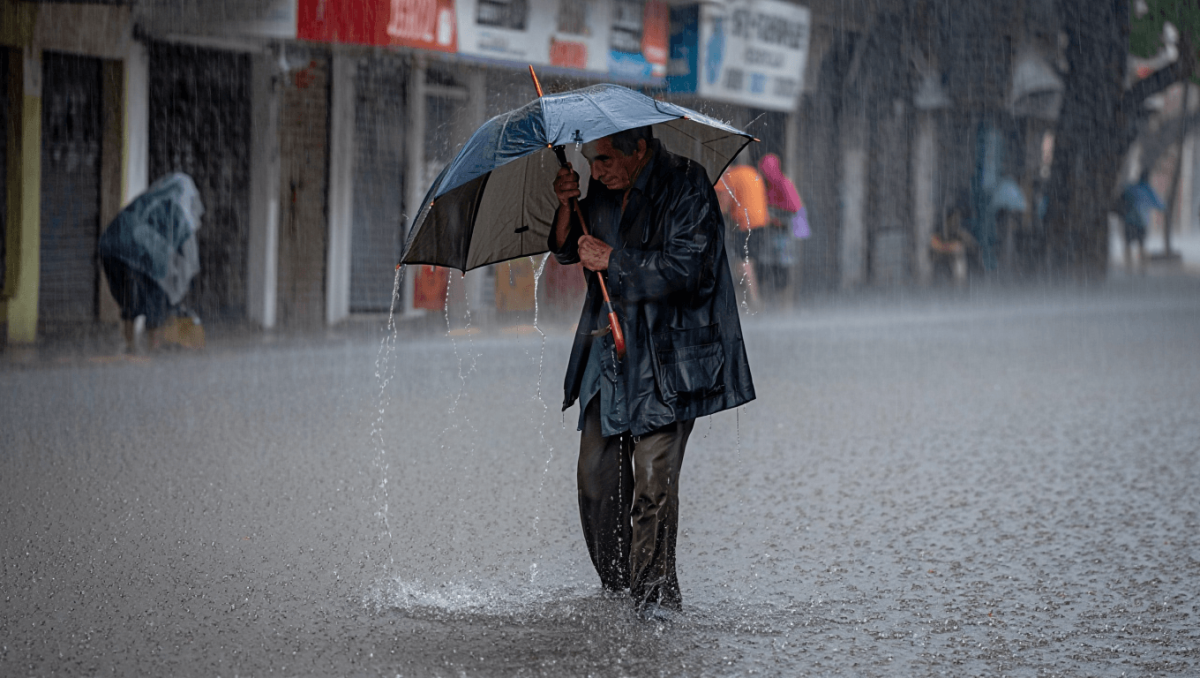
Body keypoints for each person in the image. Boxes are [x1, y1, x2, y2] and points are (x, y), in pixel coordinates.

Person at [550, 126, 755, 615]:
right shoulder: (599, 188)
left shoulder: (687, 186)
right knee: (596, 482)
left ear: (638, 150)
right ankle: (620, 588)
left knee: (652, 483)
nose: (595, 172)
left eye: (603, 161)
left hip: (670, 358)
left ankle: (655, 601)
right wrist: (566, 205)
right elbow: (566, 249)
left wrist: (616, 261)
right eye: (590, 163)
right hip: (610, 354)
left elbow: (689, 269)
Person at [715, 160, 769, 309]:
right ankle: (747, 295)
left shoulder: (729, 177)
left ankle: (752, 298)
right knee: (750, 258)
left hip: (745, 223)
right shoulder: (750, 172)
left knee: (744, 261)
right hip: (761, 220)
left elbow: (722, 206)